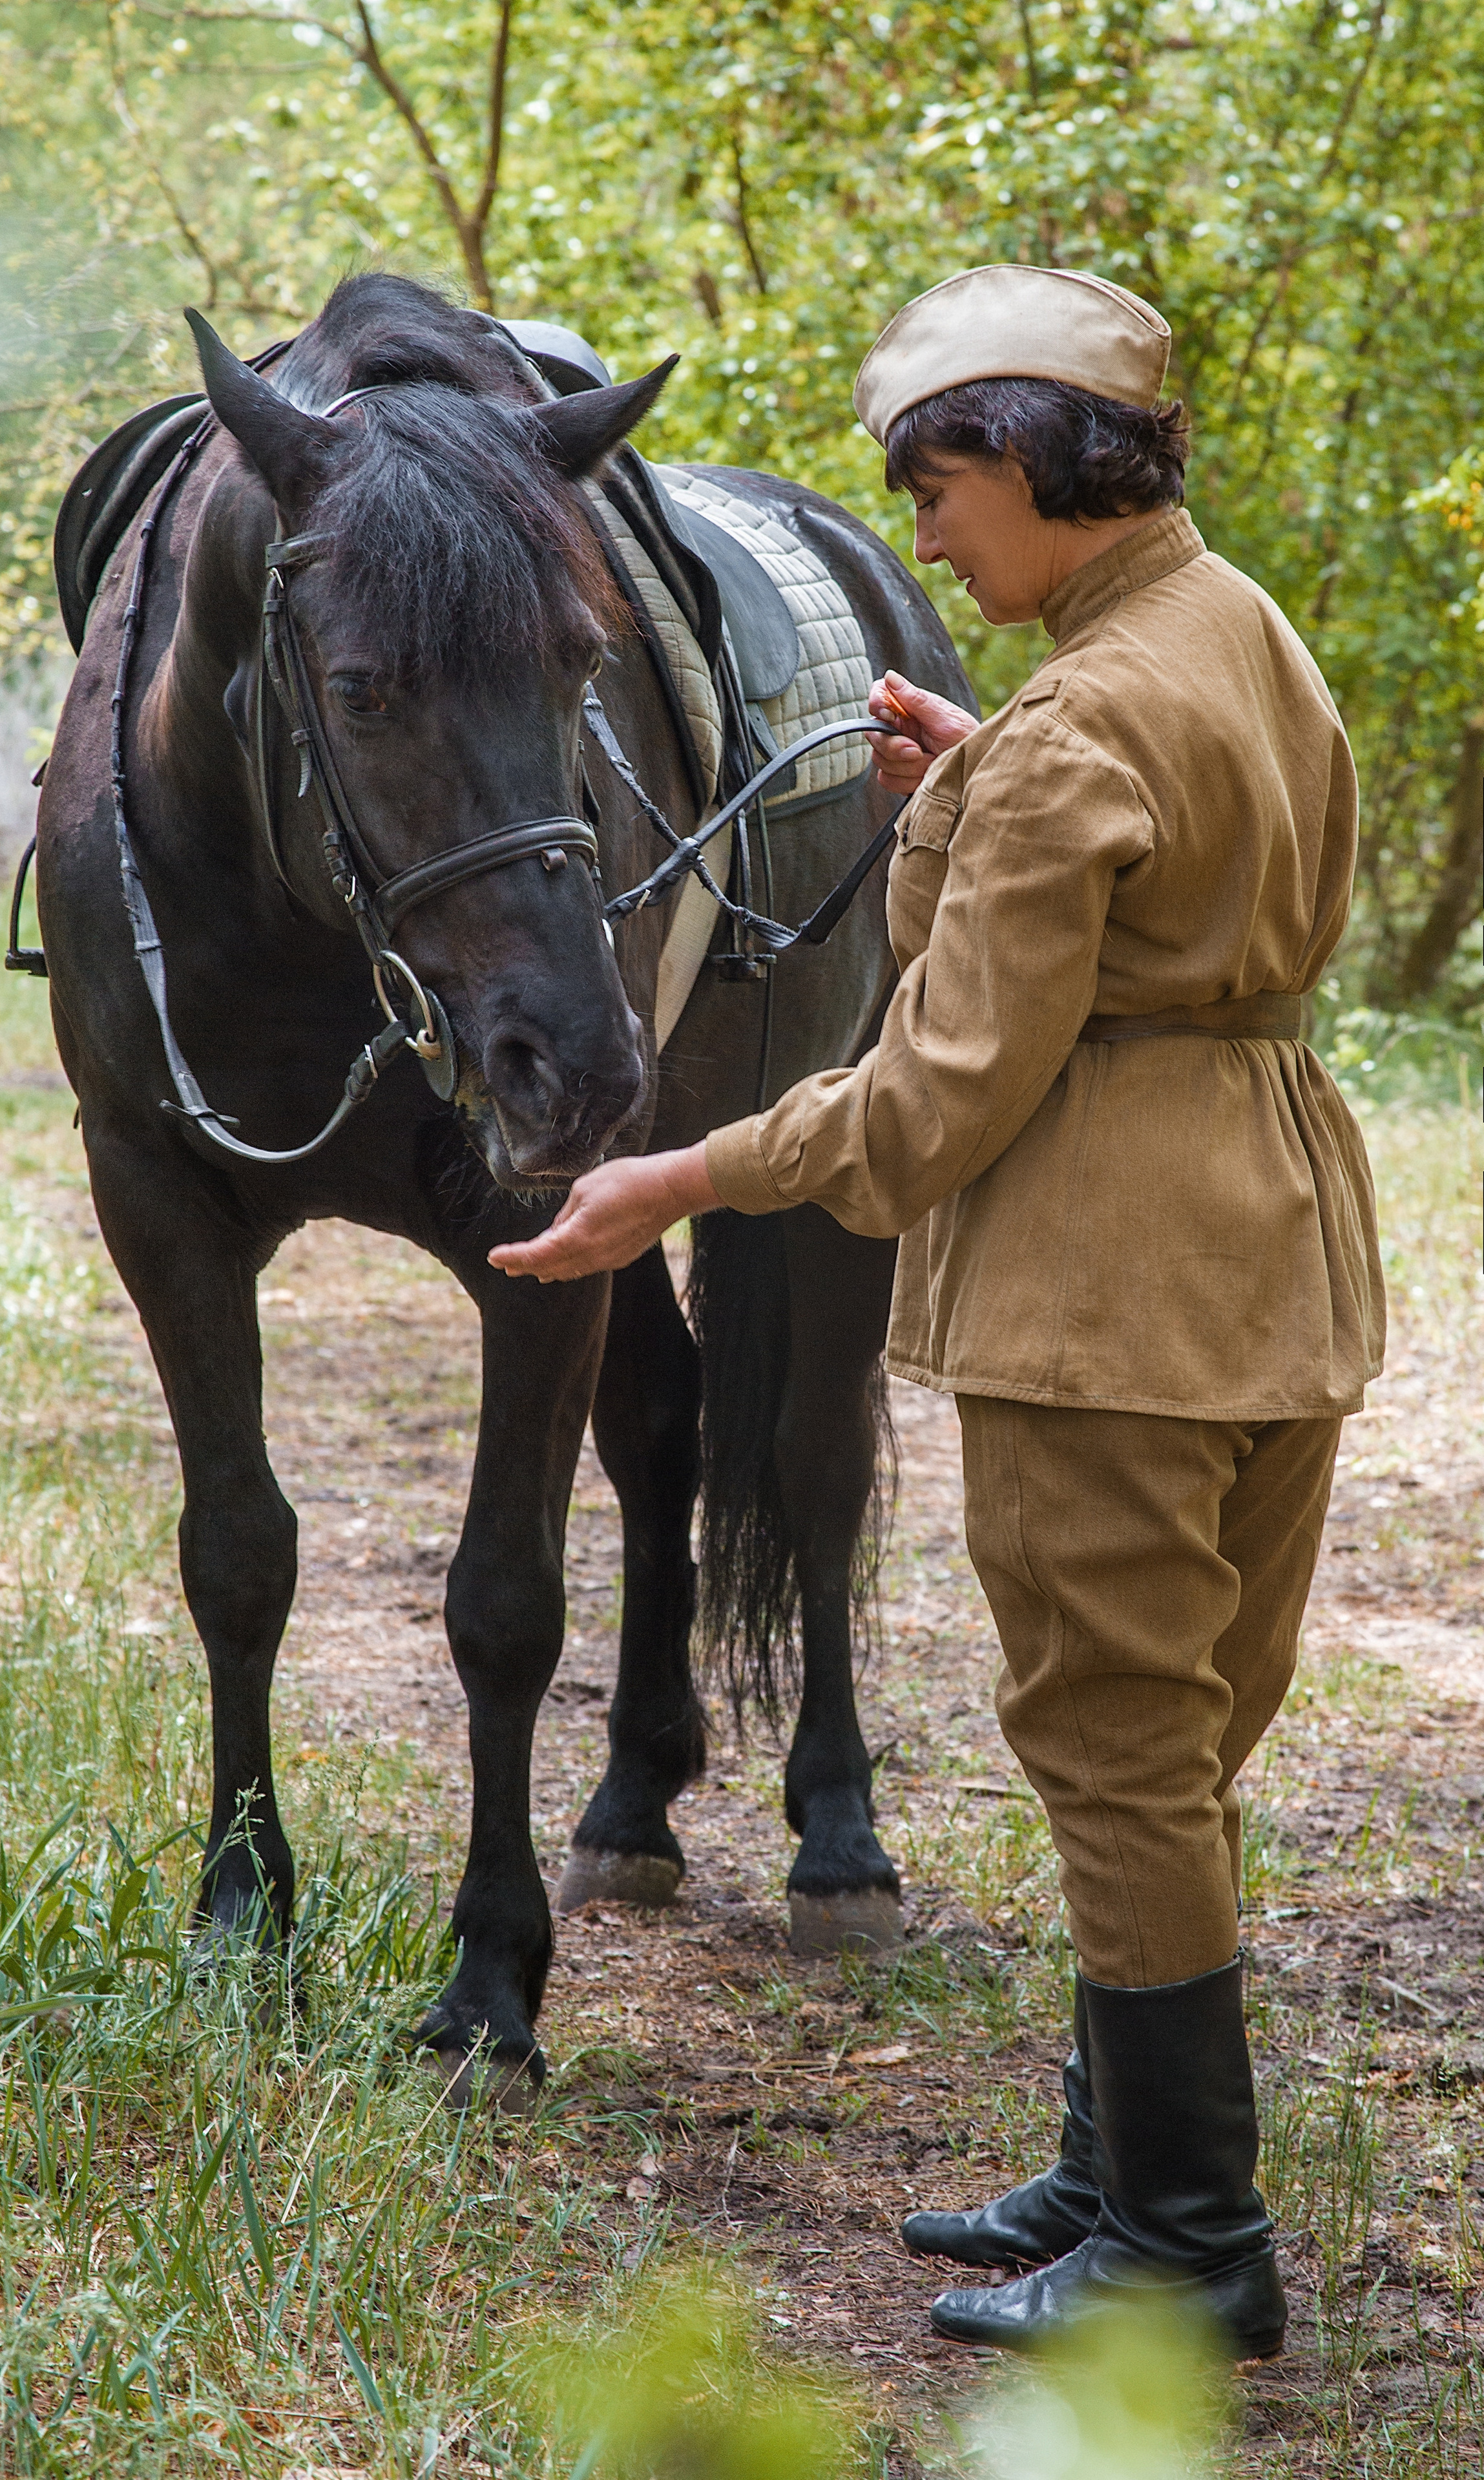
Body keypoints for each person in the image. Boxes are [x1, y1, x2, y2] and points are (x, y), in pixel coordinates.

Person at [490, 263, 1383, 2360]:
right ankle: (1114, 2161)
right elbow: (1180, 873)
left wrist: (679, 1179)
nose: (920, 534)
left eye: (938, 484)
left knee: (1114, 1741)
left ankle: (1185, 2245)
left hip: (1113, 1281)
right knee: (1188, 1732)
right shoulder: (1222, 626)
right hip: (1272, 1244)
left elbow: (927, 1099)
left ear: (1035, 462)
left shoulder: (1082, 718)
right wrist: (983, 786)